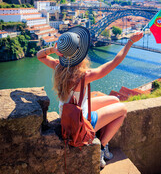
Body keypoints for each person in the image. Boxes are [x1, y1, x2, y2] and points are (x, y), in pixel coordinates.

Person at [37, 26, 143, 168]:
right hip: (80, 124)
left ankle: (101, 139)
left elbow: (40, 55)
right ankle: (101, 147)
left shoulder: (58, 68)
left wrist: (53, 50)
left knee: (115, 100)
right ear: (80, 53)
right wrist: (130, 41)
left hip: (67, 116)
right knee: (122, 110)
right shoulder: (84, 76)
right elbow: (115, 62)